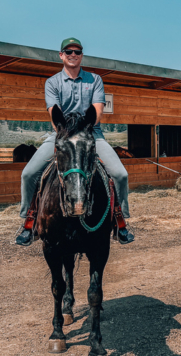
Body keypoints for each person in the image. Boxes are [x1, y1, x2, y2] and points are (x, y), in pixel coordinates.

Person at [15, 38, 135, 246]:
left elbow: (97, 111)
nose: (73, 55)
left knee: (120, 174)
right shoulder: (52, 82)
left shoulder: (95, 80)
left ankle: (119, 221)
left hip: (91, 134)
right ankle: (30, 221)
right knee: (29, 174)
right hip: (61, 134)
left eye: (77, 52)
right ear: (61, 55)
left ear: (81, 55)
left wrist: (85, 127)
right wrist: (65, 131)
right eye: (68, 52)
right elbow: (54, 114)